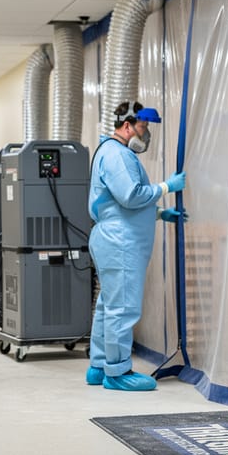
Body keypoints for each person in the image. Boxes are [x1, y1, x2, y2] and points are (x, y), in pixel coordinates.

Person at [85, 101, 187, 391]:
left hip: (113, 236)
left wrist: (158, 213)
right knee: (123, 307)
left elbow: (115, 202)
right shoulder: (117, 154)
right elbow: (130, 195)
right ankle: (117, 373)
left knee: (109, 304)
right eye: (143, 127)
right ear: (127, 125)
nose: (146, 134)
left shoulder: (112, 152)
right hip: (121, 243)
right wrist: (167, 187)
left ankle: (99, 365)